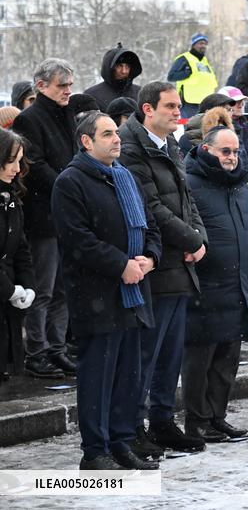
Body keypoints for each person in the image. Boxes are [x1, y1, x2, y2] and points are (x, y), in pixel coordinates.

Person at [51, 112, 160, 470]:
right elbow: (77, 239)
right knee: (98, 379)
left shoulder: (124, 176)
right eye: (108, 134)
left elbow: (151, 226)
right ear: (86, 141)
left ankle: (122, 442)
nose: (117, 139)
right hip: (96, 297)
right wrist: (121, 264)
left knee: (128, 377)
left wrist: (149, 260)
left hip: (133, 294)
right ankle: (95, 452)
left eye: (117, 133)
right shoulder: (71, 181)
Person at [118, 81, 208, 456]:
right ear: (147, 109)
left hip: (179, 266)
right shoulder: (132, 148)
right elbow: (152, 207)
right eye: (170, 106)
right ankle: (133, 427)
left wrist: (199, 237)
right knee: (146, 354)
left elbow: (186, 200)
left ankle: (163, 421)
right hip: (153, 265)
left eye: (178, 106)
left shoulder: (170, 144)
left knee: (170, 354)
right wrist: (191, 240)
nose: (177, 112)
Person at [183, 127, 248, 442]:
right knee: (201, 362)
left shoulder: (240, 185)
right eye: (224, 151)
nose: (231, 158)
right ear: (206, 149)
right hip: (206, 287)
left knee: (227, 360)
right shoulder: (191, 184)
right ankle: (197, 420)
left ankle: (217, 416)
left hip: (237, 283)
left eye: (235, 151)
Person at [11, 58, 76, 379]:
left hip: (66, 216)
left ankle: (56, 348)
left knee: (62, 288)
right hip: (43, 216)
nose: (67, 91)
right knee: (43, 289)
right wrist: (69, 187)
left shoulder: (67, 115)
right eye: (61, 85)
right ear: (41, 86)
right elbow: (34, 165)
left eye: (69, 85)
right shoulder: (30, 119)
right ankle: (36, 353)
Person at [0, 129, 36, 383]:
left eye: (19, 160)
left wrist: (28, 285)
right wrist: (9, 290)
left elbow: (20, 247)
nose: (16, 168)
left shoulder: (11, 198)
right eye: (11, 160)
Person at [216, 86, 248, 199]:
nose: (241, 105)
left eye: (242, 101)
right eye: (236, 102)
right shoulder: (220, 128)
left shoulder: (244, 124)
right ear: (223, 106)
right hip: (234, 188)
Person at [167, 33, 218, 119]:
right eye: (200, 43)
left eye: (205, 44)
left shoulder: (204, 61)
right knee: (190, 128)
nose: (203, 46)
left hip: (206, 102)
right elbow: (171, 76)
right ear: (193, 45)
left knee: (204, 128)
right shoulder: (184, 58)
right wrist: (186, 73)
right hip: (189, 103)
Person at [85, 43, 143, 111]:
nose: (124, 71)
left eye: (127, 66)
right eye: (119, 66)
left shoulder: (140, 94)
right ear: (110, 68)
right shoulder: (92, 96)